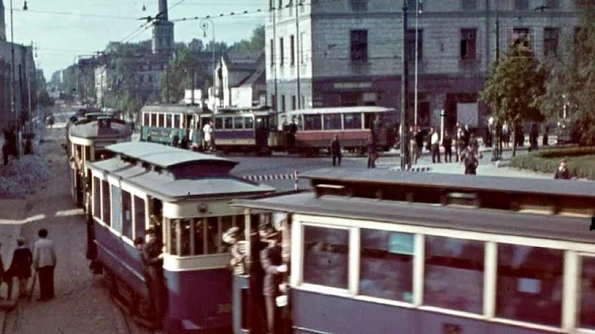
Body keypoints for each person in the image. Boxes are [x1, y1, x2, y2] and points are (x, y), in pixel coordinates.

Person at [260, 230, 288, 334]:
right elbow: (267, 267)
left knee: (282, 314)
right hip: (271, 287)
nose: (275, 241)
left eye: (276, 238)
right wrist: (279, 269)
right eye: (272, 239)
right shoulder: (265, 252)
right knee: (272, 316)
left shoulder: (281, 250)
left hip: (282, 285)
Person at [141, 228, 166, 329]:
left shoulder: (159, 243)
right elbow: (148, 261)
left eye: (153, 236)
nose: (152, 238)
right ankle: (157, 318)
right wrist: (159, 258)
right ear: (147, 237)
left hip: (161, 271)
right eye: (150, 236)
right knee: (157, 295)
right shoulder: (146, 248)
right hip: (153, 273)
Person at [33, 228, 57, 301]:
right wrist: (54, 263)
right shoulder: (50, 243)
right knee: (50, 279)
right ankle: (50, 294)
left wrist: (35, 265)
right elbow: (53, 254)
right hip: (50, 263)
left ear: (39, 235)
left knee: (42, 280)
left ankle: (43, 295)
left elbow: (36, 256)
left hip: (41, 264)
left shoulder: (37, 244)